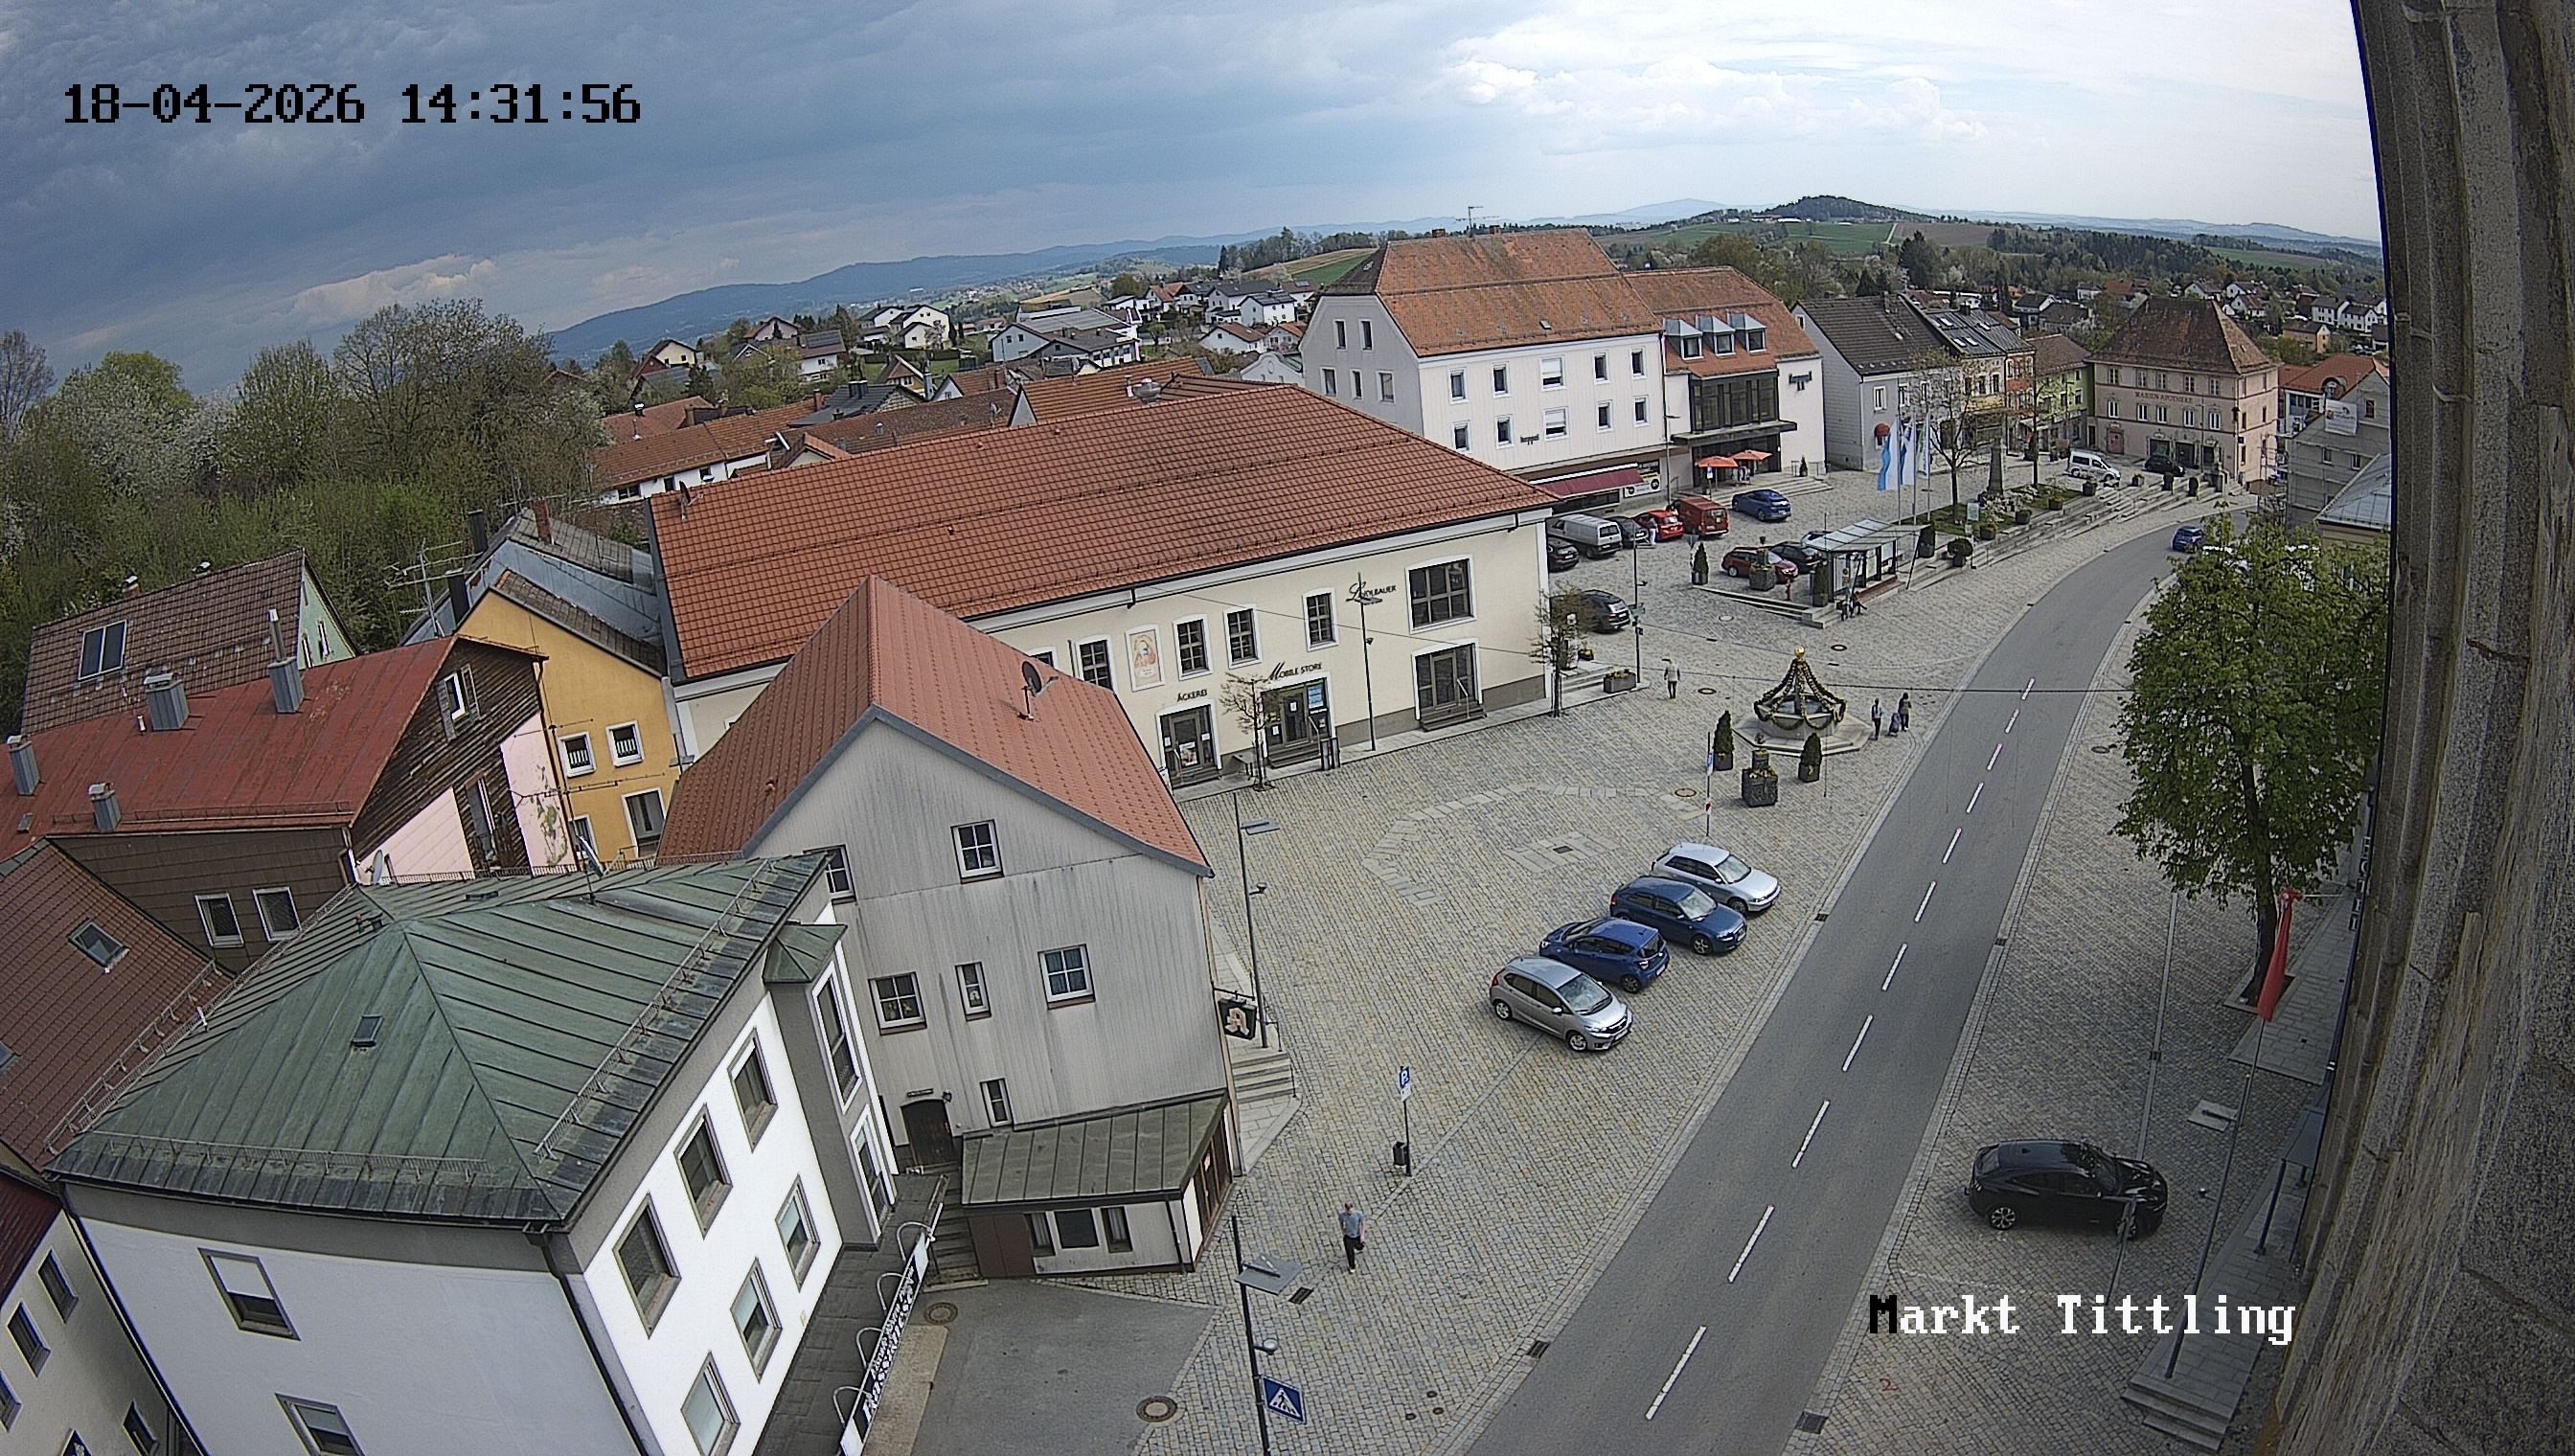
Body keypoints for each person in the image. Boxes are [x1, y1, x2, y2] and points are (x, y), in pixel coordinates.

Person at [1340, 1203, 1366, 1269]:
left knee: (1359, 1247)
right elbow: (1341, 1223)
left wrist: (1362, 1235)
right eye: (1348, 1211)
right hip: (1348, 1236)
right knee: (1349, 1252)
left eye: (1350, 1211)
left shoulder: (1358, 1214)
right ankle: (1352, 1266)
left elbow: (1363, 1223)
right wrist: (1343, 1231)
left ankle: (1361, 1246)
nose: (1349, 1212)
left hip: (1357, 1235)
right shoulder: (1342, 1215)